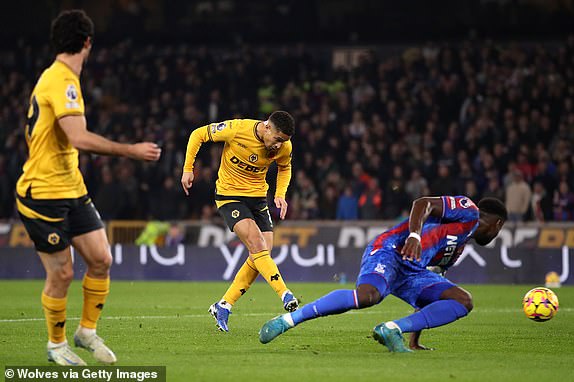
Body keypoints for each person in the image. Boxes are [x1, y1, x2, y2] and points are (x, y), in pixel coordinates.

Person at [15, 10, 161, 366]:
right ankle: (55, 344)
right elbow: (78, 138)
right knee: (62, 273)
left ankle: (86, 332)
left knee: (101, 259)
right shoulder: (61, 80)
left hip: (71, 188)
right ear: (87, 42)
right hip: (42, 193)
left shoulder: (58, 78)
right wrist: (130, 150)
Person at [260, 196, 507, 352]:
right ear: (497, 225)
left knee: (462, 300)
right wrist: (414, 236)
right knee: (368, 296)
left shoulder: (456, 248)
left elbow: (429, 294)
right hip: (390, 250)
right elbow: (423, 203)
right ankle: (288, 320)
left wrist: (414, 339)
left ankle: (393, 329)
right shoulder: (469, 210)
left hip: (413, 272)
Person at [181, 111, 299, 332]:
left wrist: (280, 194)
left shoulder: (284, 146)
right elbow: (198, 134)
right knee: (257, 243)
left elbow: (285, 167)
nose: (278, 146)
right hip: (230, 196)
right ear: (266, 128)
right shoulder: (237, 129)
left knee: (261, 255)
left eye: (283, 141)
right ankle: (285, 293)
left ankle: (223, 305)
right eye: (277, 139)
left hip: (258, 198)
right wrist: (188, 168)